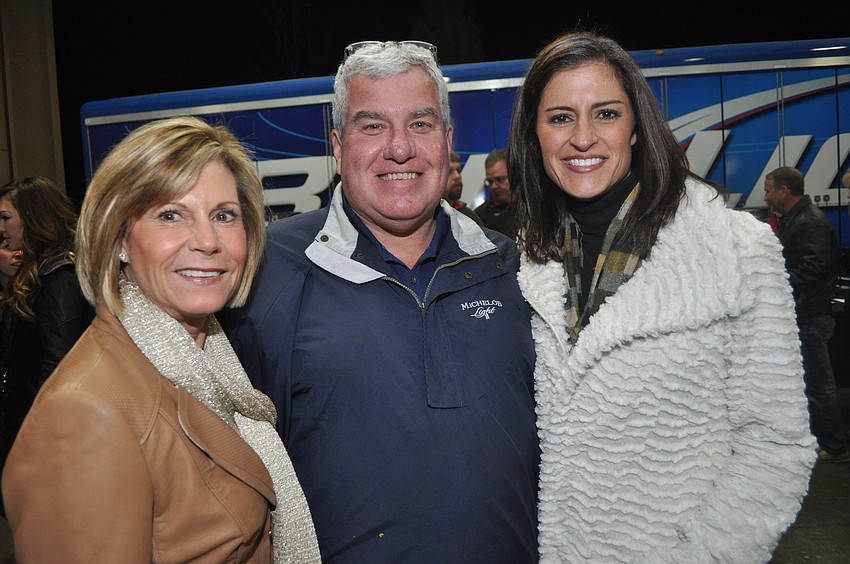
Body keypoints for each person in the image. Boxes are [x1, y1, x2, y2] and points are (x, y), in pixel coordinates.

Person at [225, 41, 539, 562]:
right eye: (372, 126)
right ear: (337, 144)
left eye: (420, 124)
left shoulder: (514, 267)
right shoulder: (267, 272)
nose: (400, 148)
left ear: (447, 139)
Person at [509, 31, 815, 563]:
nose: (583, 137)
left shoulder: (734, 251)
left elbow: (775, 444)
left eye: (605, 114)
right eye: (560, 117)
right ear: (535, 134)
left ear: (635, 128)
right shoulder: (527, 261)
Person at [1, 116, 321, 562]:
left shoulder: (211, 364)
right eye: (171, 215)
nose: (208, 241)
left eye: (224, 216)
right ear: (118, 239)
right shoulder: (83, 414)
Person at [0, 177, 94, 508]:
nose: (1, 228)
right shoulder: (38, 271)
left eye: (5, 217)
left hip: (46, 431)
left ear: (33, 216)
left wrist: (40, 435)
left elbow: (58, 363)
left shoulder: (60, 275)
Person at [764, 166, 848, 463]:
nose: (766, 195)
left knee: (818, 384)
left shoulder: (810, 222)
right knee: (810, 382)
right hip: (803, 313)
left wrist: (775, 283)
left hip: (811, 315)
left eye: (769, 189)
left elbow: (813, 269)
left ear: (784, 191)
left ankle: (836, 446)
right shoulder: (796, 219)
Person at [474, 147, 516, 239]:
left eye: (499, 179)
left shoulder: (532, 207)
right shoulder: (480, 215)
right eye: (490, 181)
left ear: (514, 174)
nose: (494, 186)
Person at [444, 150, 483, 225]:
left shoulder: (470, 218)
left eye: (458, 170)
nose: (457, 176)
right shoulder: (426, 219)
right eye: (449, 171)